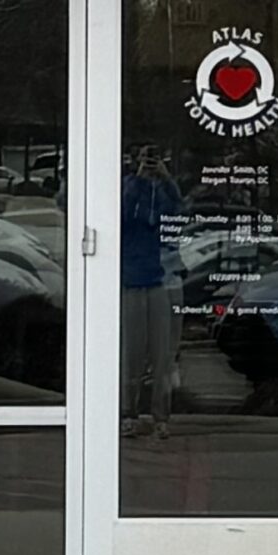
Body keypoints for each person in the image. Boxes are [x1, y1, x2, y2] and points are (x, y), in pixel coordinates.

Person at [120, 144, 183, 434]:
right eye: (147, 160)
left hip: (162, 280)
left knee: (162, 356)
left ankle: (161, 417)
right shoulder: (129, 187)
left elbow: (178, 213)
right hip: (131, 279)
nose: (151, 164)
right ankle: (127, 413)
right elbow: (122, 213)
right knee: (131, 354)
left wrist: (166, 179)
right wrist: (140, 179)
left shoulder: (164, 192)